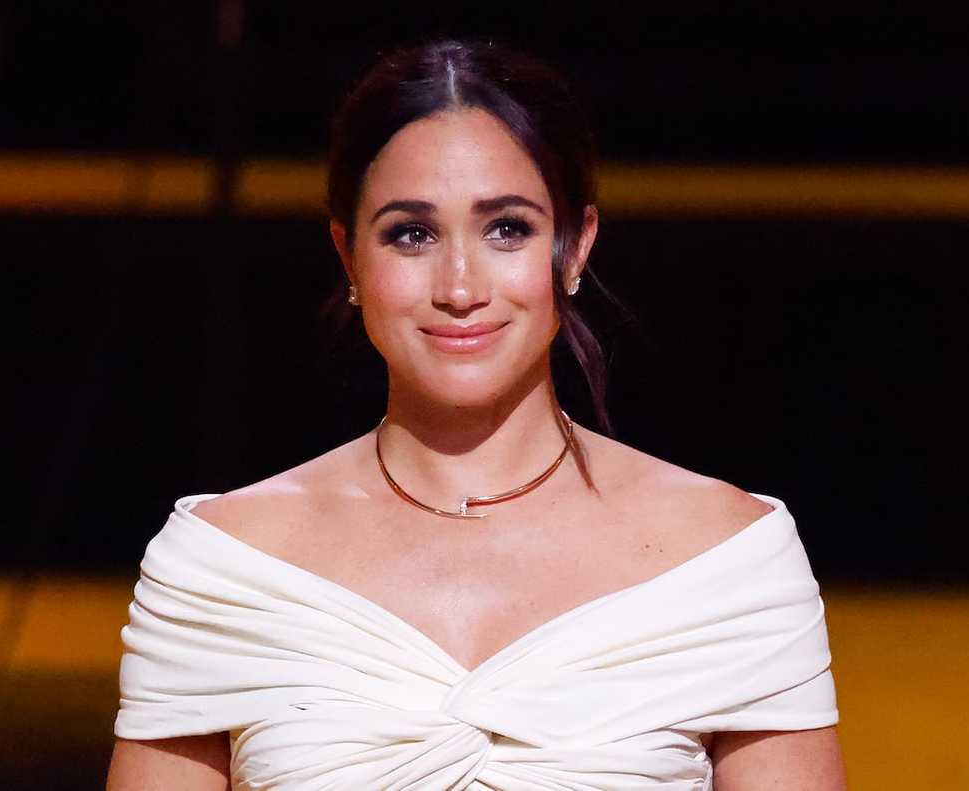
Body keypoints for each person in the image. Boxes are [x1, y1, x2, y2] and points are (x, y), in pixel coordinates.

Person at [106, 37, 846, 790]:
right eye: (412, 233)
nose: (460, 286)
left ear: (575, 244)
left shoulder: (730, 566)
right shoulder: (221, 571)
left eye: (506, 229)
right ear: (348, 256)